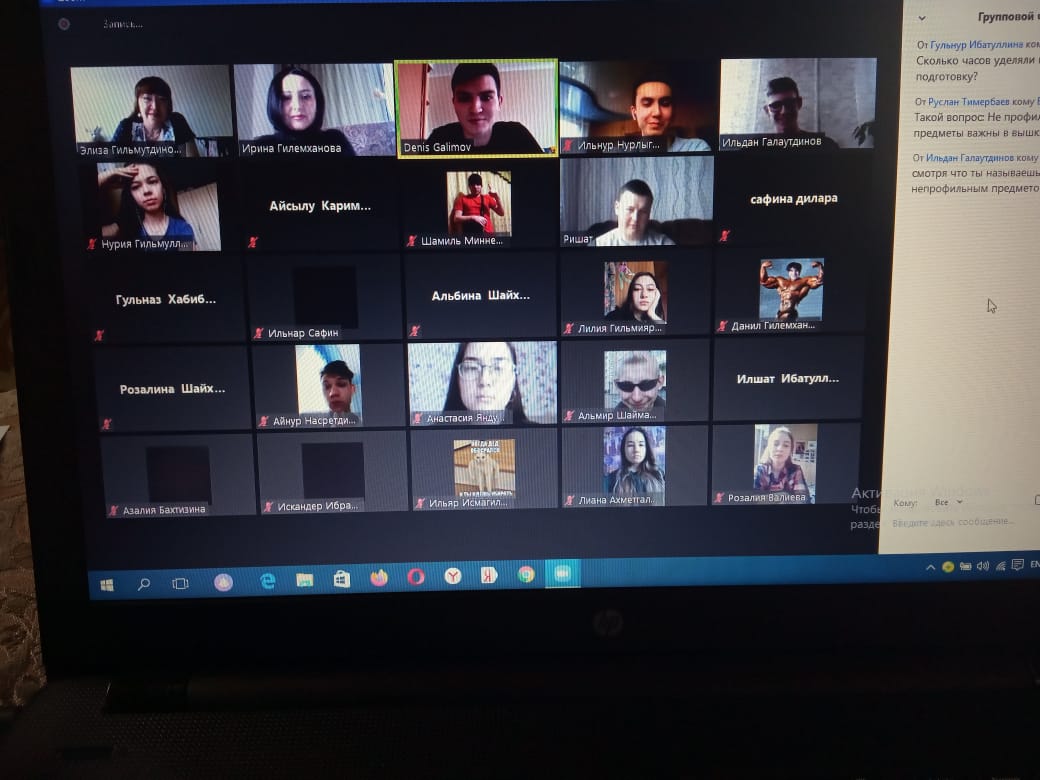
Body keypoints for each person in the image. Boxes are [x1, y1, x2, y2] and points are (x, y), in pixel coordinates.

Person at [427, 63, 542, 154]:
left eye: (486, 97)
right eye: (464, 98)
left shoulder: (517, 136)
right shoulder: (438, 139)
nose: (475, 109)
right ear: (454, 104)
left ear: (499, 102)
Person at [254, 66, 356, 155]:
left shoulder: (335, 140)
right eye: (286, 97)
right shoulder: (263, 146)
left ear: (317, 101)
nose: (298, 106)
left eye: (306, 96)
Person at [98, 162, 196, 249]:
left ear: (163, 187)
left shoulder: (182, 228)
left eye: (152, 181)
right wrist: (105, 176)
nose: (146, 191)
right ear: (131, 195)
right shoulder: (123, 227)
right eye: (136, 187)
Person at [443, 341, 533, 424]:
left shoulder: (535, 433)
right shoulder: (436, 434)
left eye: (498, 368)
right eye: (472, 368)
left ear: (513, 380)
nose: (484, 381)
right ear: (457, 378)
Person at [110, 76, 200, 157]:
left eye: (161, 100)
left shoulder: (177, 121)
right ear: (138, 103)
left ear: (168, 105)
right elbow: (109, 160)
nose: (155, 107)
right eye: (147, 99)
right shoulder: (126, 126)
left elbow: (194, 163)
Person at [629, 78, 710, 152]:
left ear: (673, 112)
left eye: (665, 103)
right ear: (634, 113)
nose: (657, 112)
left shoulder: (696, 148)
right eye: (647, 103)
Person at [762, 77, 839, 150]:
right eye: (775, 105)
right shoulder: (758, 148)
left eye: (789, 103)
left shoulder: (826, 146)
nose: (784, 111)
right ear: (767, 110)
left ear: (799, 103)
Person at [594, 180, 675, 247]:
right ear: (617, 208)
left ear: (649, 213)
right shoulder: (599, 244)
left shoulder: (664, 244)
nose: (635, 218)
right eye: (630, 209)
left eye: (643, 211)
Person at [604, 427, 665, 496]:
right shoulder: (611, 479)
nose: (636, 450)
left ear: (647, 448)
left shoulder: (659, 475)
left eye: (641, 445)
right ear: (624, 449)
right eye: (630, 445)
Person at [753, 426, 809, 494]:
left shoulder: (795, 470)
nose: (780, 449)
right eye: (775, 444)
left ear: (790, 451)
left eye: (786, 445)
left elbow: (803, 498)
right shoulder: (759, 470)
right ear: (769, 448)